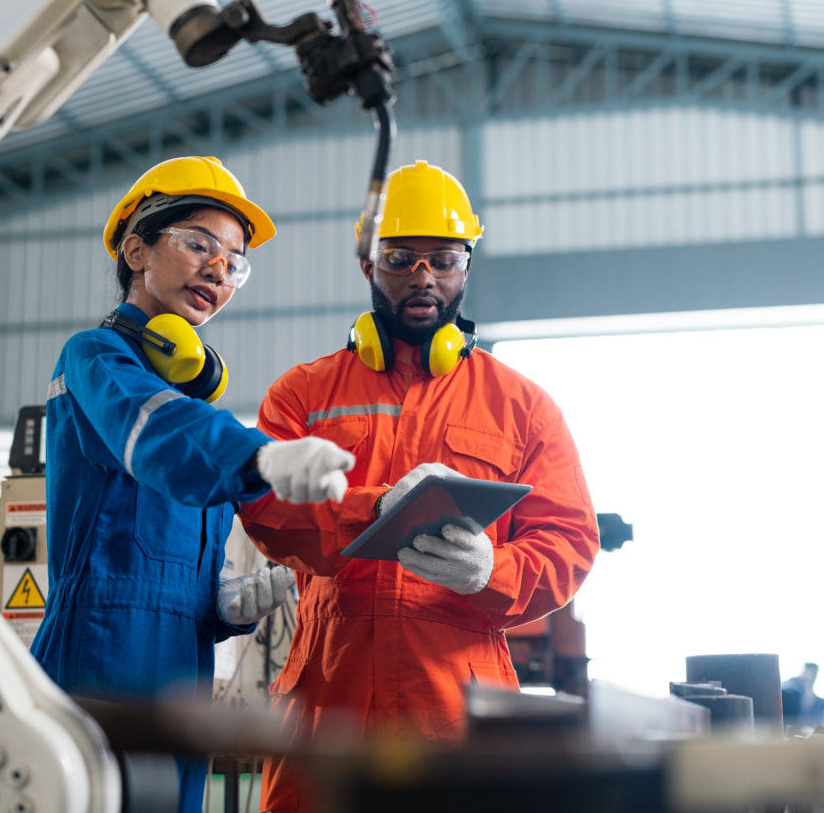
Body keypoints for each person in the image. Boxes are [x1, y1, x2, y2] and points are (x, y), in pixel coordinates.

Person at [238, 160, 601, 812]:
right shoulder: (304, 395)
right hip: (330, 700)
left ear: (467, 267)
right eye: (401, 259)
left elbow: (570, 541)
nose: (423, 276)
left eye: (442, 259)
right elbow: (264, 509)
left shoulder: (522, 406)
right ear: (368, 267)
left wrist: (493, 570)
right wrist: (371, 514)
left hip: (459, 712)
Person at [30, 157, 355, 813]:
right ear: (136, 249)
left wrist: (216, 608)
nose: (218, 270)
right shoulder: (94, 359)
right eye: (199, 244)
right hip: (99, 651)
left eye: (234, 261)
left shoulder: (191, 408)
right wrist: (263, 456)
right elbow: (153, 439)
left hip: (182, 660)